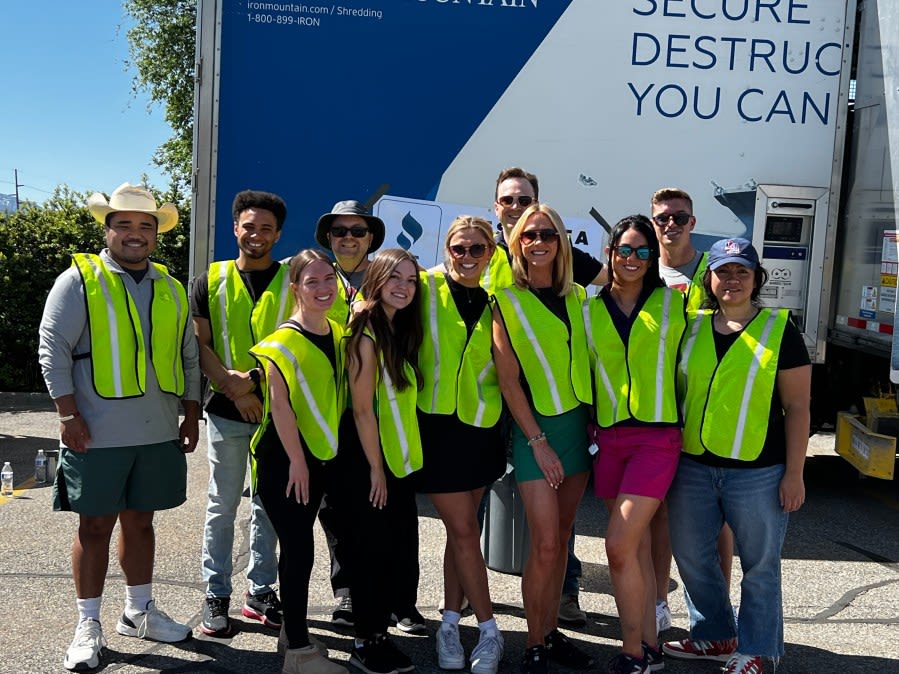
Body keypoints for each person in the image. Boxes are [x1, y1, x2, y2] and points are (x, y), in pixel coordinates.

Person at [38, 183, 200, 671]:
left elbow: (188, 357)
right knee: (94, 527)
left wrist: (191, 413)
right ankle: (88, 624)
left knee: (142, 523)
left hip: (156, 432)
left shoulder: (171, 286)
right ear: (107, 230)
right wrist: (68, 414)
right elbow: (53, 348)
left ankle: (139, 612)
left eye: (145, 225)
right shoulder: (78, 280)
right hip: (97, 433)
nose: (135, 234)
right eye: (124, 224)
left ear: (156, 234)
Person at [662, 238, 811, 674]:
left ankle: (760, 651)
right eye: (723, 271)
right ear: (709, 279)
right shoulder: (692, 327)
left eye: (741, 272)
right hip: (694, 465)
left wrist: (795, 473)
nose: (731, 280)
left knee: (760, 565)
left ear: (756, 279)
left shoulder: (779, 329)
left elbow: (798, 407)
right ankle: (715, 635)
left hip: (759, 471)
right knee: (691, 556)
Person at [487, 167, 600, 626]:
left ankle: (551, 631)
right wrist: (536, 440)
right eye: (530, 235)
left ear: (561, 241)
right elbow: (509, 382)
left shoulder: (578, 296)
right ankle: (535, 642)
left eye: (548, 234)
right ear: (517, 244)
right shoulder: (505, 300)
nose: (538, 241)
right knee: (546, 543)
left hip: (579, 431)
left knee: (565, 534)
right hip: (537, 435)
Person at [583, 215, 687, 674]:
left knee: (618, 547)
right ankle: (651, 647)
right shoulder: (587, 311)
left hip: (657, 438)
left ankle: (630, 652)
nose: (631, 258)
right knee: (638, 551)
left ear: (653, 259)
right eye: (624, 249)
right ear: (610, 253)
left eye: (642, 252)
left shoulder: (674, 305)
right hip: (608, 440)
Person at [192, 189, 289, 636]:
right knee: (222, 505)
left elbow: (298, 342)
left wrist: (254, 381)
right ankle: (216, 594)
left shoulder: (294, 279)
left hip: (278, 413)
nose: (257, 234)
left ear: (278, 234)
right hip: (227, 411)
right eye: (249, 226)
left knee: (269, 507)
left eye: (266, 228)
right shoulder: (208, 280)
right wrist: (234, 389)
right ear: (235, 228)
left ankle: (260, 592)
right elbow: (201, 343)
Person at [248, 249, 349, 674]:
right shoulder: (281, 343)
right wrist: (298, 463)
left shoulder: (339, 332)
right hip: (285, 461)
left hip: (319, 458)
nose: (323, 288)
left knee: (298, 551)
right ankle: (298, 654)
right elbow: (281, 407)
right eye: (313, 282)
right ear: (296, 288)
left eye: (330, 279)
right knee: (299, 550)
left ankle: (293, 636)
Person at [417, 216, 506, 674]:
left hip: (483, 426)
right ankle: (489, 630)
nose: (467, 257)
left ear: (490, 253)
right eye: (459, 248)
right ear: (446, 248)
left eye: (477, 249)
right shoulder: (423, 287)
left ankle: (450, 623)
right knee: (467, 532)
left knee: (461, 532)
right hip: (436, 428)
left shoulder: (497, 298)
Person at [647, 187, 734, 634]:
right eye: (663, 218)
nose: (671, 225)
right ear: (653, 221)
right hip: (658, 412)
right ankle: (660, 601)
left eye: (679, 217)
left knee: (714, 517)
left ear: (693, 222)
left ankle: (719, 617)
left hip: (704, 411)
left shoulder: (709, 273)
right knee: (660, 511)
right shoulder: (643, 268)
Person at [342, 249, 424, 674]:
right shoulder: (366, 333)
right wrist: (375, 468)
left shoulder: (398, 330)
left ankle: (379, 636)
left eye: (411, 280)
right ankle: (364, 643)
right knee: (370, 555)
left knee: (392, 553)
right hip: (370, 465)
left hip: (399, 464)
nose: (404, 287)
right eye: (395, 277)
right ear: (376, 278)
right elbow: (361, 410)